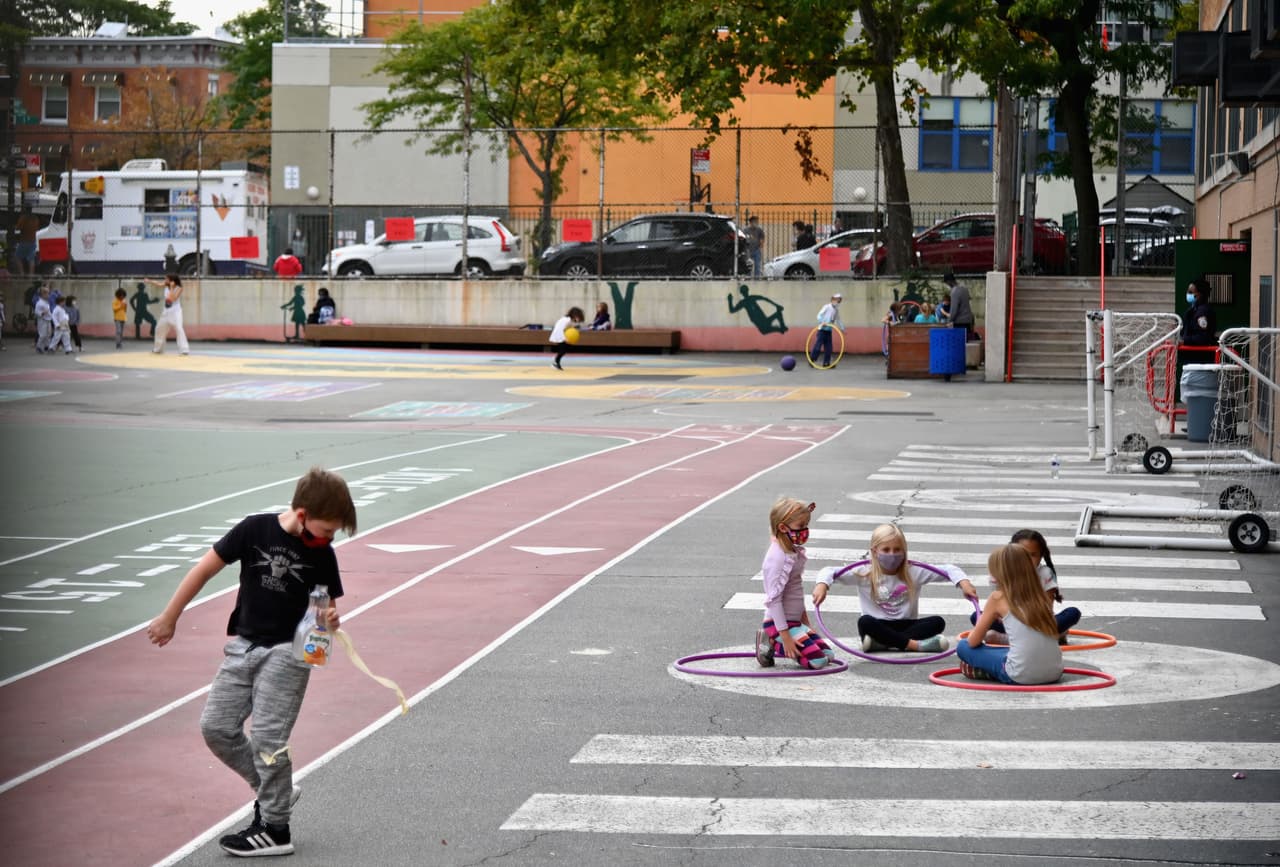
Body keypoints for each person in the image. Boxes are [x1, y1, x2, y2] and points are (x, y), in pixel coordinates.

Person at [146, 467, 357, 858]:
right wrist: (170, 616)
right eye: (325, 529)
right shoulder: (253, 530)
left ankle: (275, 828)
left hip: (288, 654)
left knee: (268, 740)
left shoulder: (322, 555)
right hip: (243, 646)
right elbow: (205, 569)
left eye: (334, 534)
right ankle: (274, 790)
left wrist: (330, 619)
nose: (328, 539)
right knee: (216, 727)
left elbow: (326, 608)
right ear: (301, 512)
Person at [812, 523, 978, 653]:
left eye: (897, 550)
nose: (892, 554)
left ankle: (884, 643)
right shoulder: (864, 572)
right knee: (865, 621)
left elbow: (949, 569)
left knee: (937, 622)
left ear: (904, 551)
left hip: (907, 625)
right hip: (876, 625)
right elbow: (829, 571)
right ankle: (914, 645)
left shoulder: (913, 571)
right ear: (875, 551)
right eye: (886, 549)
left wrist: (964, 583)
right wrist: (822, 585)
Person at [956, 543, 1064, 684]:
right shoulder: (1040, 594)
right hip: (1055, 672)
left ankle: (990, 671)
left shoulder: (997, 597)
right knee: (1008, 651)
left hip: (1020, 674)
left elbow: (973, 641)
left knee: (963, 646)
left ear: (998, 573)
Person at [755, 497, 835, 669]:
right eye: (801, 526)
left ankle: (786, 637)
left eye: (807, 524)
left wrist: (807, 625)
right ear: (783, 527)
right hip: (777, 625)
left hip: (794, 621)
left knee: (829, 656)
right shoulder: (777, 558)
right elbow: (773, 600)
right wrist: (785, 638)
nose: (805, 530)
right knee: (817, 661)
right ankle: (769, 639)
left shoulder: (793, 551)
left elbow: (796, 592)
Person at [970, 529, 1081, 645]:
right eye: (1022, 554)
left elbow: (1047, 609)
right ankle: (1051, 637)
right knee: (976, 617)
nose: (1027, 559)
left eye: (1033, 555)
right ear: (1011, 554)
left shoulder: (1045, 573)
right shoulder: (1000, 573)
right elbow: (998, 606)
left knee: (1073, 613)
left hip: (1038, 622)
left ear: (1041, 556)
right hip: (1010, 621)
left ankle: (1009, 639)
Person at [147, 273, 189, 355]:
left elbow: (172, 298)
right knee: (159, 329)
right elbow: (158, 284)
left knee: (179, 328)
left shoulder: (179, 288)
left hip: (176, 312)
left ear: (172, 281)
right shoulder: (166, 285)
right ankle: (158, 349)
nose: (165, 280)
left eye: (167, 279)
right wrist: (149, 281)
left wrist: (172, 288)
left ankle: (184, 349)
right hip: (166, 312)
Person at [1179, 277, 1217, 367]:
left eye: (1191, 292)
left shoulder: (1202, 312)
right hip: (1191, 360)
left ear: (1198, 295)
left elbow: (1202, 337)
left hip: (1200, 361)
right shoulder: (1192, 310)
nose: (1188, 294)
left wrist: (1184, 341)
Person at [810, 292, 844, 368]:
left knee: (829, 348)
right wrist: (822, 322)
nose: (837, 302)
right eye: (836, 300)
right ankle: (812, 359)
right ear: (832, 300)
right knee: (818, 346)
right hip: (822, 330)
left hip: (829, 331)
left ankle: (826, 363)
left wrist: (842, 329)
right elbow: (819, 315)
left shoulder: (836, 310)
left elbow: (838, 320)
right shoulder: (827, 307)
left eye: (839, 301)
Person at [548, 305, 584, 371]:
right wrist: (564, 338)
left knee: (563, 350)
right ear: (575, 315)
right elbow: (560, 329)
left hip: (561, 336)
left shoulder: (568, 320)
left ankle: (556, 362)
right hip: (559, 336)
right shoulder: (567, 320)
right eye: (578, 317)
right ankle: (555, 363)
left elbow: (568, 329)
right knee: (562, 350)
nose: (579, 319)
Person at [943, 272, 974, 340]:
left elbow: (954, 309)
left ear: (949, 281)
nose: (947, 285)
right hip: (968, 321)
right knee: (966, 344)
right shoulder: (965, 289)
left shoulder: (954, 292)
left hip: (960, 323)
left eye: (946, 283)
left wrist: (949, 321)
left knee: (959, 344)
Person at [14, 205, 41, 276]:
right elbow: (37, 228)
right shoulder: (35, 218)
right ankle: (31, 275)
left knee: (17, 257)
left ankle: (22, 273)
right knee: (31, 259)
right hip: (32, 241)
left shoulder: (23, 218)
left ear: (25, 210)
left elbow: (17, 228)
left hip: (24, 241)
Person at [33, 285, 52, 354]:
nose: (48, 295)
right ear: (43, 294)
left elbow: (49, 311)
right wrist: (43, 313)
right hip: (42, 320)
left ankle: (47, 346)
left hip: (48, 320)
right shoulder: (39, 303)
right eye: (47, 293)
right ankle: (39, 347)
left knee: (48, 334)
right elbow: (36, 312)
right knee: (42, 334)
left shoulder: (46, 302)